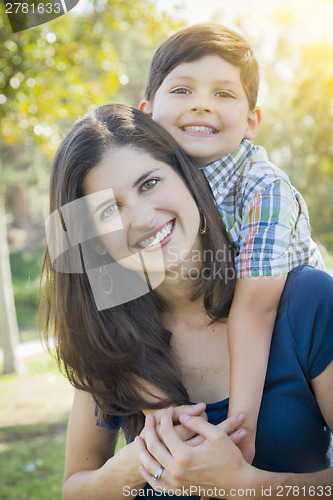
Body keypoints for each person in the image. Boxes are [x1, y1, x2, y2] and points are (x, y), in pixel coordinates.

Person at [40, 103, 333, 500]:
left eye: (148, 184)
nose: (142, 218)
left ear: (186, 177)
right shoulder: (108, 336)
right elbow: (76, 490)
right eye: (110, 210)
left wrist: (246, 486)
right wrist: (134, 465)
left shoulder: (306, 301)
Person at [139, 23, 326, 463]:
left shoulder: (265, 189)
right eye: (182, 90)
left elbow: (256, 308)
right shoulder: (141, 182)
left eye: (223, 95)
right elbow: (104, 295)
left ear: (252, 121)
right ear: (147, 112)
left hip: (286, 332)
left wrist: (240, 435)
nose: (202, 104)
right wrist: (157, 408)